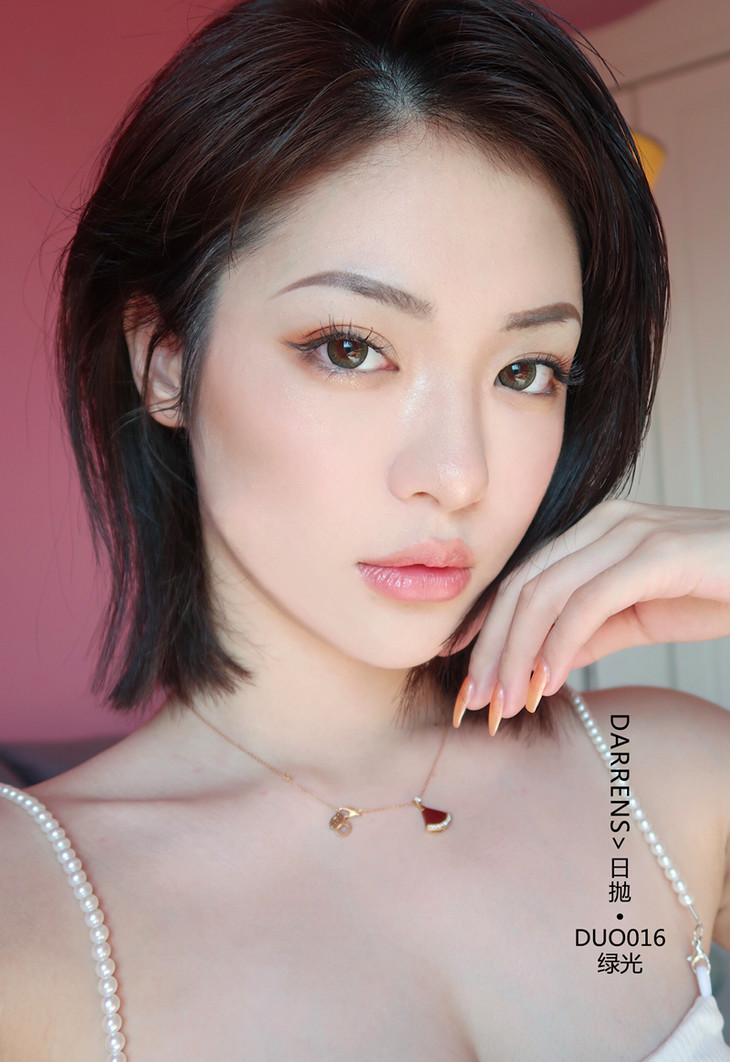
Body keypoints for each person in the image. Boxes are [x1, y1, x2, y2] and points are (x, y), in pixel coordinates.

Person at [1, 0, 729, 1058]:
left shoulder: (662, 782)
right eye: (350, 348)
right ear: (165, 361)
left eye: (526, 370)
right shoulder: (32, 909)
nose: (458, 474)